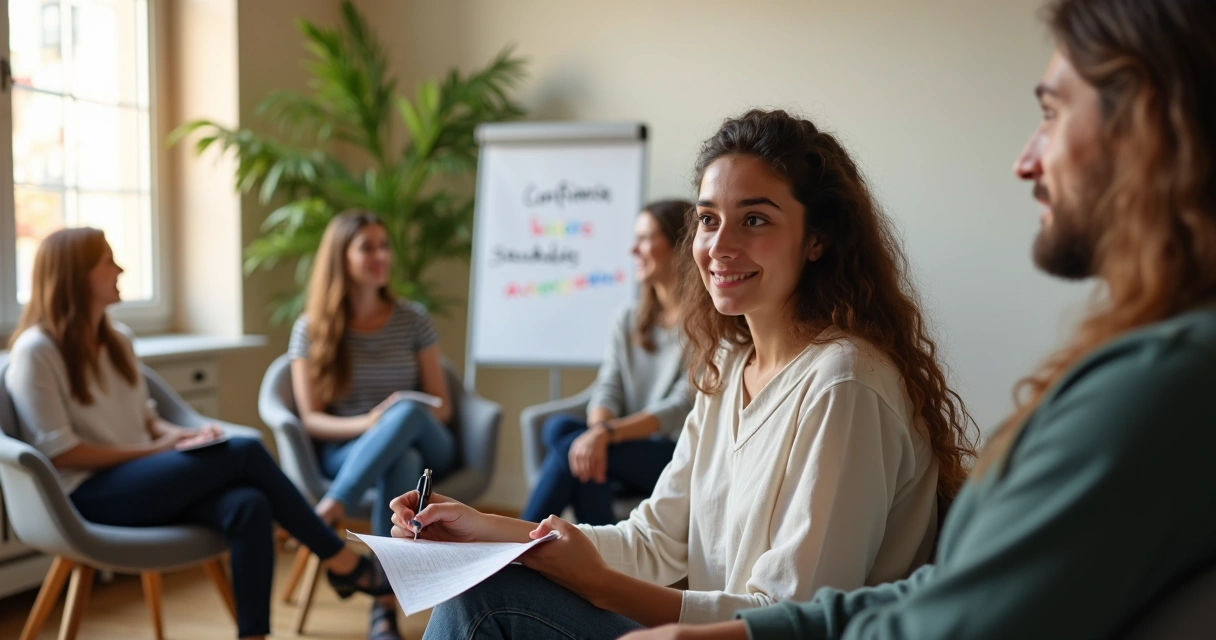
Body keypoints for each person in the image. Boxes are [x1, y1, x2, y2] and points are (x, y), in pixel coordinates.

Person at [620, 1, 1216, 639]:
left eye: (1051, 113)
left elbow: (953, 622)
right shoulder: (1152, 364)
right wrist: (733, 634)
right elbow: (943, 590)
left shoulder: (1167, 380)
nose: (1026, 159)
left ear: (1153, 126)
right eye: (708, 218)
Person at [391, 109, 978, 639]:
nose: (719, 245)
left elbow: (789, 618)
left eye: (755, 220)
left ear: (818, 239)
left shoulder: (844, 383)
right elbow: (653, 540)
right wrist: (486, 529)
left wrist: (598, 584)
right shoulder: (727, 364)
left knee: (486, 607)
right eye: (707, 219)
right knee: (481, 590)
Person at [4, 228, 391, 640]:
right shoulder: (35, 351)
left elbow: (148, 419)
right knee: (243, 451)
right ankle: (340, 561)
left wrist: (184, 437)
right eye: (107, 262)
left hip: (142, 480)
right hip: (84, 497)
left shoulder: (117, 339)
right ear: (75, 275)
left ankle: (254, 634)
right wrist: (156, 450)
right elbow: (61, 454)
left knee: (250, 503)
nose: (120, 269)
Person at [288, 209, 456, 640]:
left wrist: (396, 416)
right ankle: (384, 608)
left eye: (385, 246)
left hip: (428, 435)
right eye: (368, 247)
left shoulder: (413, 318)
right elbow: (311, 419)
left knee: (407, 415)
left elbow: (441, 408)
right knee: (403, 462)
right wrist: (369, 424)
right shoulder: (312, 329)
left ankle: (331, 507)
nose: (381, 255)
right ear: (341, 258)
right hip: (352, 447)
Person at [521, 199, 694, 526]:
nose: (634, 249)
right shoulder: (628, 318)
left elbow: (680, 407)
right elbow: (608, 387)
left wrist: (606, 435)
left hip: (672, 455)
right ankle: (594, 556)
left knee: (570, 441)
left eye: (645, 238)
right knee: (562, 432)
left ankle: (510, 545)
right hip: (621, 447)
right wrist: (600, 433)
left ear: (680, 245)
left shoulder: (708, 323)